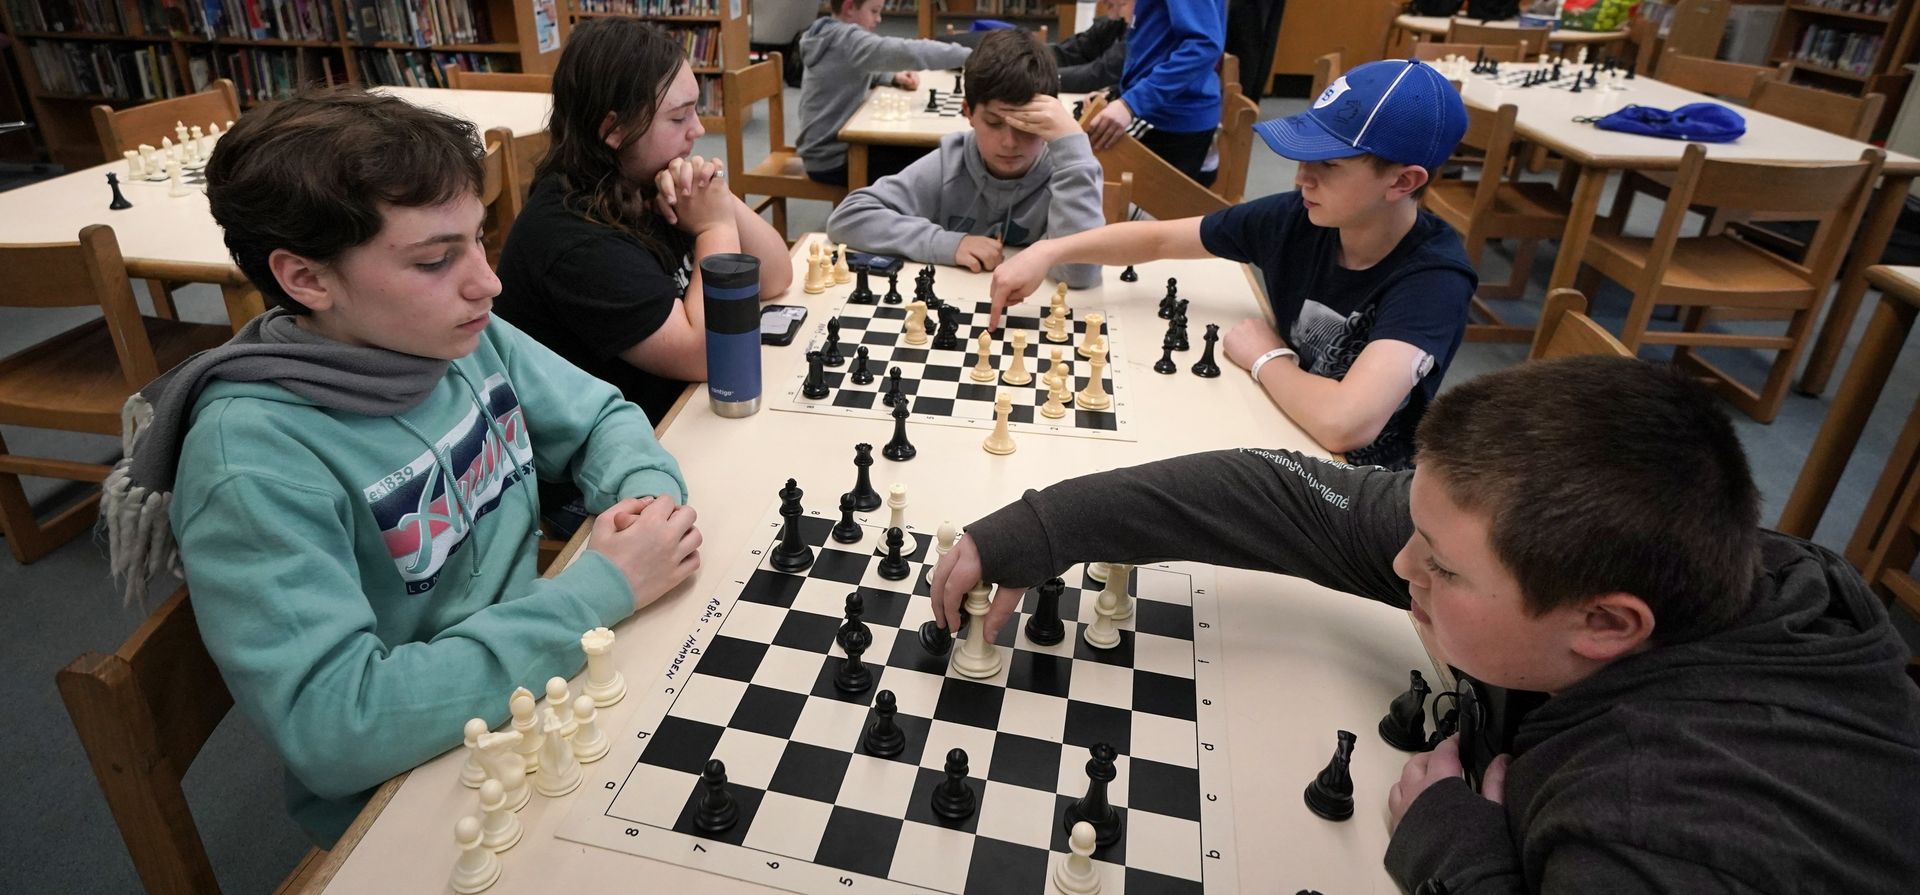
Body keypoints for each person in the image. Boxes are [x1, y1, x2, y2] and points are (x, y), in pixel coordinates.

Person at [927, 356, 1920, 893]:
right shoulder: (1650, 555)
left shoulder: (1661, 830)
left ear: (1606, 623)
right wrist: (1038, 528)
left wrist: (1456, 849)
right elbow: (1274, 492)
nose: (1402, 565)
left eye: (1440, 567)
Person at [99, 88, 702, 848]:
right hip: (419, 789)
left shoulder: (455, 335)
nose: (489, 281)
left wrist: (645, 504)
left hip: (543, 680)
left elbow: (604, 418)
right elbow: (338, 725)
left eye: (480, 239)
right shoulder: (251, 465)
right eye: (435, 259)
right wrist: (597, 592)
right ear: (307, 280)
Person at [991, 58, 1476, 470]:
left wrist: (1266, 357)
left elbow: (1345, 424)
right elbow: (1159, 239)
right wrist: (1047, 251)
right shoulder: (1302, 216)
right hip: (1281, 427)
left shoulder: (1434, 279)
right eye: (1303, 156)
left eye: (1328, 165)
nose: (1302, 177)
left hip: (1359, 490)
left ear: (1402, 181)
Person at [495, 18, 791, 426]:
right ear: (615, 130)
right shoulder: (572, 236)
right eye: (679, 117)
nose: (699, 129)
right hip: (620, 457)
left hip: (679, 414)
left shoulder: (644, 177)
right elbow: (712, 356)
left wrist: (718, 201)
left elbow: (776, 277)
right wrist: (714, 229)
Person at [825, 29, 1103, 287]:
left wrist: (1073, 142)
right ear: (968, 112)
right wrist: (947, 243)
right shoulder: (951, 162)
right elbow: (848, 218)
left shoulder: (1068, 170)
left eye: (1025, 126)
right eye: (994, 123)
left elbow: (1080, 274)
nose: (1009, 142)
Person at [797, 0, 973, 186]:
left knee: (926, 156)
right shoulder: (849, 40)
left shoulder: (827, 34)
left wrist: (892, 77)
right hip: (834, 159)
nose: (879, 18)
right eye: (874, 11)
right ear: (849, 8)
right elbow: (907, 51)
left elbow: (848, 71)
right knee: (937, 161)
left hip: (821, 150)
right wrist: (972, 55)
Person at [1083, 0, 1222, 181]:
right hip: (1158, 106)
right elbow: (1156, 41)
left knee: (1077, 165)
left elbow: (1204, 47)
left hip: (1169, 116)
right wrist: (1120, 92)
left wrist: (1131, 103)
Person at [938, 0, 1133, 94]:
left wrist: (1026, 75)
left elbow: (1097, 75)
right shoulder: (1116, 23)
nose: (1106, 5)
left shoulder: (1137, 32)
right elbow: (1068, 52)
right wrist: (1013, 54)